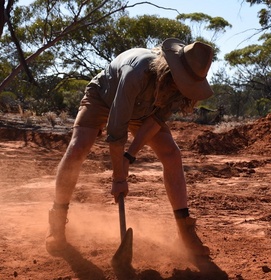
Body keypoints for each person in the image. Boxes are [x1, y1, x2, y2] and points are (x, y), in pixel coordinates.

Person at [46, 38, 214, 259]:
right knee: (78, 147)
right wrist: (119, 177)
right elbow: (116, 130)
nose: (181, 88)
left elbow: (155, 120)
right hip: (104, 97)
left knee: (172, 154)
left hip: (144, 110)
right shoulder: (136, 73)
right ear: (171, 69)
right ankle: (57, 222)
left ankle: (185, 231)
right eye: (180, 82)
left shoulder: (178, 89)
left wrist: (130, 156)